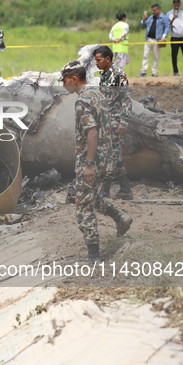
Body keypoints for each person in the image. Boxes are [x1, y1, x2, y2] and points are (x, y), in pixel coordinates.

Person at [59, 61, 133, 264]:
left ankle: (94, 256)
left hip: (91, 161)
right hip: (106, 158)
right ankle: (119, 217)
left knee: (82, 207)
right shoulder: (98, 94)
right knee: (87, 197)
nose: (63, 85)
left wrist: (89, 163)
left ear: (74, 79)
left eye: (64, 80)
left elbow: (92, 132)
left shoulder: (82, 101)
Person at [93, 45, 133, 200]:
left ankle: (105, 190)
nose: (96, 63)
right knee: (116, 155)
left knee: (111, 155)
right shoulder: (104, 76)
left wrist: (123, 122)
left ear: (107, 59)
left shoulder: (118, 75)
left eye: (98, 60)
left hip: (116, 122)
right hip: (106, 122)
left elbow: (126, 100)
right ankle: (125, 190)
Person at [138, 4, 169, 78]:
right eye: (152, 10)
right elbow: (144, 25)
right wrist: (144, 19)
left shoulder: (164, 18)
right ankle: (143, 71)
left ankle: (154, 72)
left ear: (158, 9)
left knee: (156, 56)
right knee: (145, 55)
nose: (153, 12)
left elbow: (167, 28)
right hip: (148, 39)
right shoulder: (151, 17)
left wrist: (164, 36)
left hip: (157, 39)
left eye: (154, 10)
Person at [166, 0, 183, 76]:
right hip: (175, 37)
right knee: (174, 55)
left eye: (178, 5)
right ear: (173, 5)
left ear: (180, 5)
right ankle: (175, 71)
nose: (177, 7)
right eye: (175, 5)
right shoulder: (169, 14)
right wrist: (173, 18)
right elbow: (168, 25)